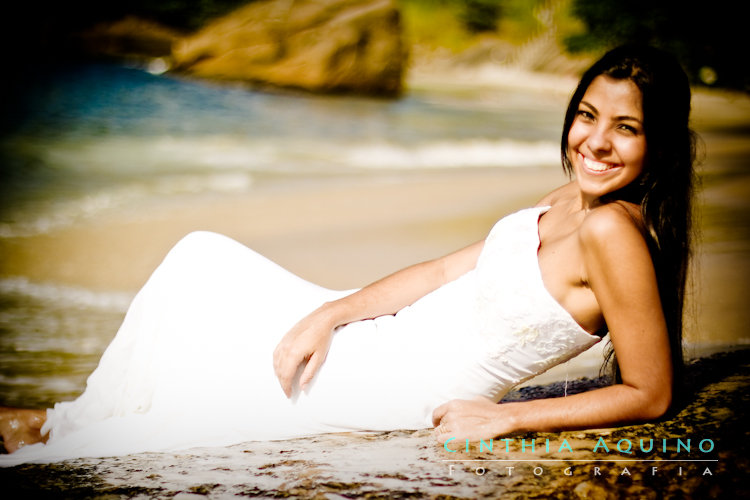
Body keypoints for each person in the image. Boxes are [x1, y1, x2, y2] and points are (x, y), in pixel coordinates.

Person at [0, 44, 695, 465]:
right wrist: (333, 312)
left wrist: (507, 416)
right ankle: (74, 418)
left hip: (402, 387)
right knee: (200, 259)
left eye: (626, 129)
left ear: (656, 145)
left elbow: (652, 392)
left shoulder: (614, 235)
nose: (596, 142)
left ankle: (57, 433)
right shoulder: (570, 200)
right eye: (587, 116)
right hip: (388, 341)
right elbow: (442, 271)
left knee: (209, 402)